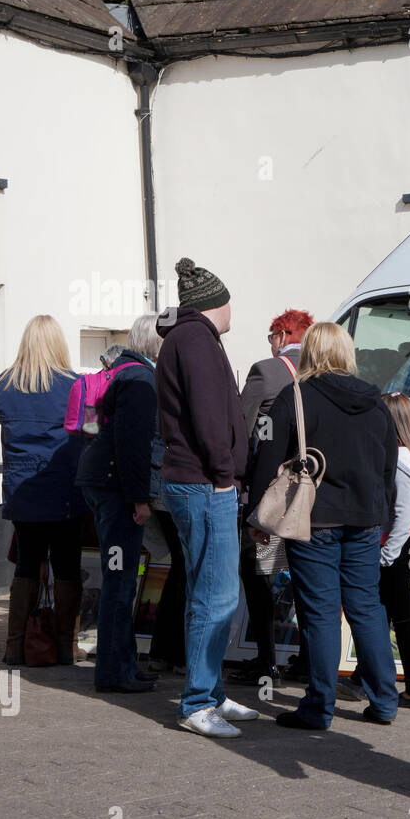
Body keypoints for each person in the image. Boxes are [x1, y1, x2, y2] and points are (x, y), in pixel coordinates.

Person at [247, 323, 400, 730]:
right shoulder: (376, 402)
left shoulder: (295, 396)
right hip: (364, 520)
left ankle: (319, 707)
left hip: (314, 520)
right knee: (366, 608)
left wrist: (257, 515)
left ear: (310, 352)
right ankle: (385, 700)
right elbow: (389, 465)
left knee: (321, 613)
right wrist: (381, 514)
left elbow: (267, 458)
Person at [156, 258, 258, 737]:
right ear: (220, 302)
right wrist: (223, 475)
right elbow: (209, 414)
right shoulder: (196, 340)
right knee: (215, 595)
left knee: (211, 590)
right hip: (204, 482)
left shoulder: (191, 338)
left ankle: (209, 693)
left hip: (199, 480)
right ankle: (198, 702)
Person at [0, 315, 87, 667]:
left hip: (22, 491)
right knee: (66, 567)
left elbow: (1, 413)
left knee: (27, 565)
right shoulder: (74, 385)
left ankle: (15, 646)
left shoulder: (4, 385)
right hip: (64, 489)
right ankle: (66, 646)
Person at [75, 315, 165, 693]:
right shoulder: (141, 379)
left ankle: (123, 663)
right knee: (120, 579)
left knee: (122, 576)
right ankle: (114, 672)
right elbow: (132, 444)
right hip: (116, 490)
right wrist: (139, 498)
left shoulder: (127, 373)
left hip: (103, 483)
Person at [232, 308, 314, 687]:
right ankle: (307, 661)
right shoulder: (324, 371)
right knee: (307, 578)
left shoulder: (266, 370)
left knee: (259, 575)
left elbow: (240, 428)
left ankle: (266, 660)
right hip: (312, 494)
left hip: (270, 492)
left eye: (271, 336)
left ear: (281, 336)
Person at [339, 392, 410, 708]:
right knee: (386, 614)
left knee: (397, 615)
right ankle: (367, 680)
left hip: (399, 544)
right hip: (405, 542)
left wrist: (384, 557)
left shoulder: (399, 464)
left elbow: (404, 516)